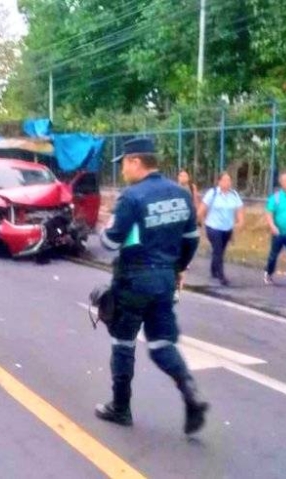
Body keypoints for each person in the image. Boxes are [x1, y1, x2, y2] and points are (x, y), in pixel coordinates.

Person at [96, 137, 208, 435]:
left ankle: (120, 408)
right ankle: (190, 391)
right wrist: (178, 268)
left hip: (133, 279)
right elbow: (192, 239)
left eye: (123, 163)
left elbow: (110, 243)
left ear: (136, 161)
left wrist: (105, 227)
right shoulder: (181, 194)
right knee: (161, 344)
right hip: (165, 280)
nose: (121, 170)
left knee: (123, 342)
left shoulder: (131, 197)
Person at [197, 172, 244, 287]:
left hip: (227, 228)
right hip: (213, 227)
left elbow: (239, 209)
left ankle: (214, 269)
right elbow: (202, 209)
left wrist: (240, 221)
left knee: (220, 250)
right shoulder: (212, 193)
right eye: (224, 180)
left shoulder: (234, 194)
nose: (227, 183)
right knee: (218, 250)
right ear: (219, 182)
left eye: (229, 180)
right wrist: (199, 221)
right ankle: (221, 276)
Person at [175, 170, 200, 298]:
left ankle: (184, 262)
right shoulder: (175, 188)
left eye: (185, 175)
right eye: (181, 175)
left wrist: (196, 215)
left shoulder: (191, 187)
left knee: (188, 239)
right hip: (178, 217)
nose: (183, 177)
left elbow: (195, 201)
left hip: (189, 217)